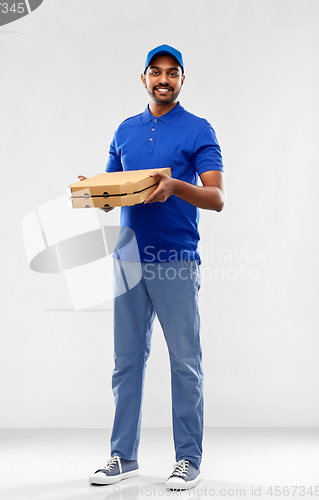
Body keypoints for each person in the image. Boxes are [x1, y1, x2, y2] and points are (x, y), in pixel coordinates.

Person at [81, 44, 225, 491]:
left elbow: (216, 198)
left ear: (182, 80)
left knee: (185, 364)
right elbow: (110, 192)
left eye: (173, 73)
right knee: (126, 363)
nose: (164, 79)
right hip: (126, 260)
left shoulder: (199, 130)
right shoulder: (125, 130)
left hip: (175, 260)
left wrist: (175, 186)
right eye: (156, 72)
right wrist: (93, 192)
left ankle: (189, 459)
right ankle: (123, 456)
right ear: (143, 78)